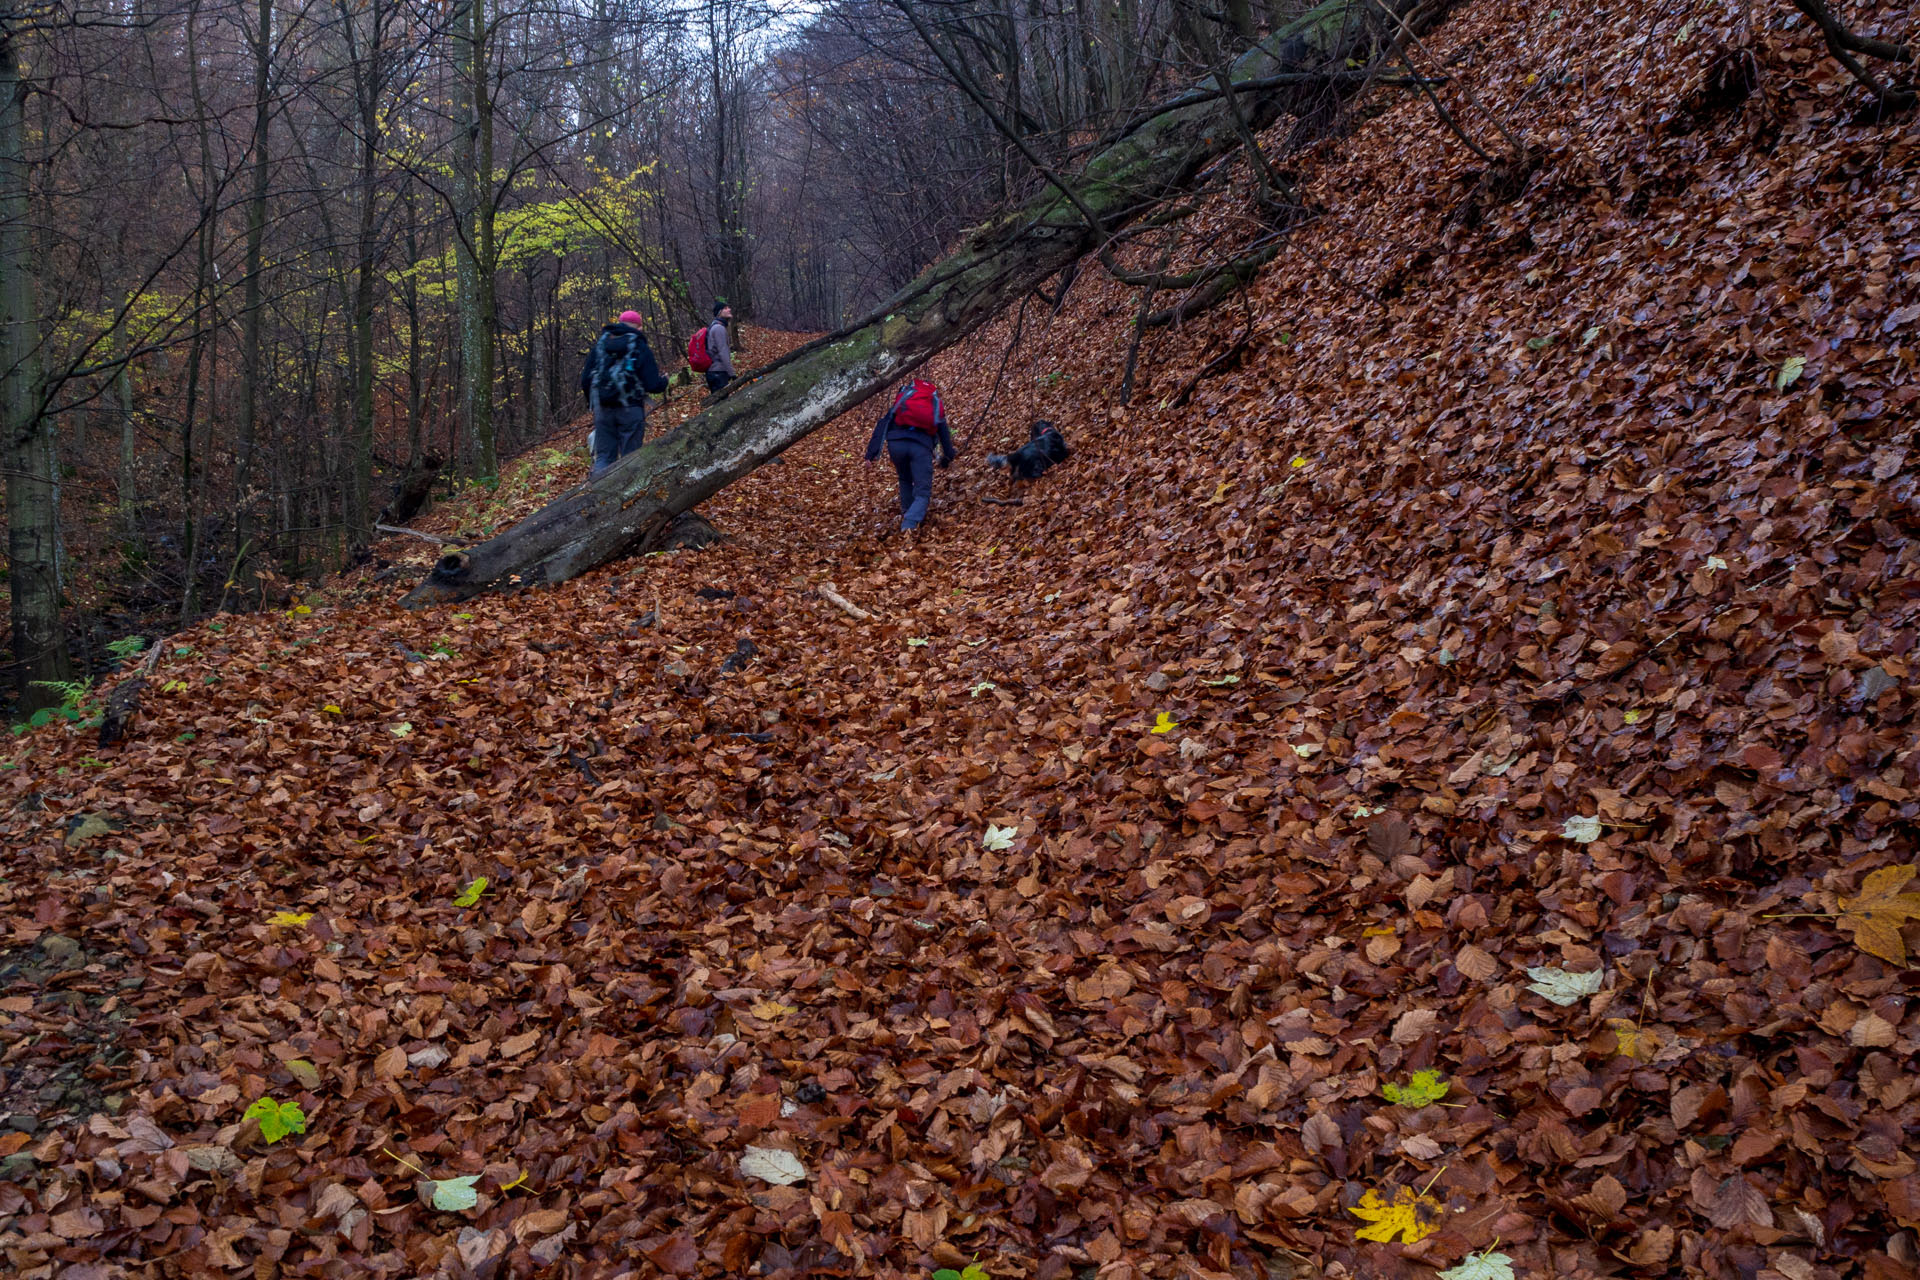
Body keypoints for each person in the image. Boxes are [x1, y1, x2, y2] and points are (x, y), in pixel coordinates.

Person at [578, 310, 668, 477]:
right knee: (631, 458)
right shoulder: (639, 346)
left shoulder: (601, 345)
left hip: (603, 410)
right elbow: (653, 384)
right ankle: (627, 497)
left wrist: (593, 403)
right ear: (639, 327)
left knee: (604, 456)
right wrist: (664, 382)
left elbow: (585, 379)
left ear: (619, 323)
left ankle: (598, 495)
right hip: (631, 409)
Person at [864, 376, 956, 534]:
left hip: (896, 444)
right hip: (920, 447)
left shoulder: (904, 398)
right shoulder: (934, 403)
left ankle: (907, 511)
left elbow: (884, 423)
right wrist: (949, 456)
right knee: (923, 491)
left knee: (905, 478)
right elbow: (944, 434)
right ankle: (909, 524)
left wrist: (871, 453)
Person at [704, 302, 735, 394]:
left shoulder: (715, 327)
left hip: (714, 371)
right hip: (718, 372)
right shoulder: (718, 328)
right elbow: (723, 352)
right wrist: (732, 373)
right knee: (722, 403)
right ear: (719, 312)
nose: (729, 309)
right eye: (725, 308)